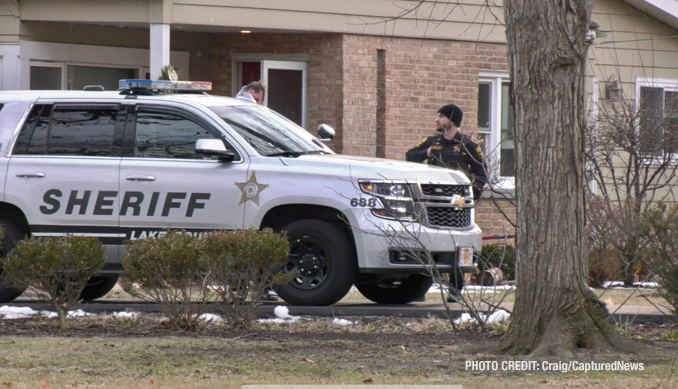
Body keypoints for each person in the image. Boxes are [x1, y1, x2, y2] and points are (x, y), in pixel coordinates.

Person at [406, 104, 487, 302]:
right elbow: (409, 156)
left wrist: (470, 200)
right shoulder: (432, 142)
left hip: (457, 206)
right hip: (431, 203)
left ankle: (456, 289)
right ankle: (420, 288)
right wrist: (426, 154)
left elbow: (482, 175)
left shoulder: (468, 145)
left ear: (452, 120)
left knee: (460, 247)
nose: (436, 120)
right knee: (425, 243)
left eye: (441, 116)